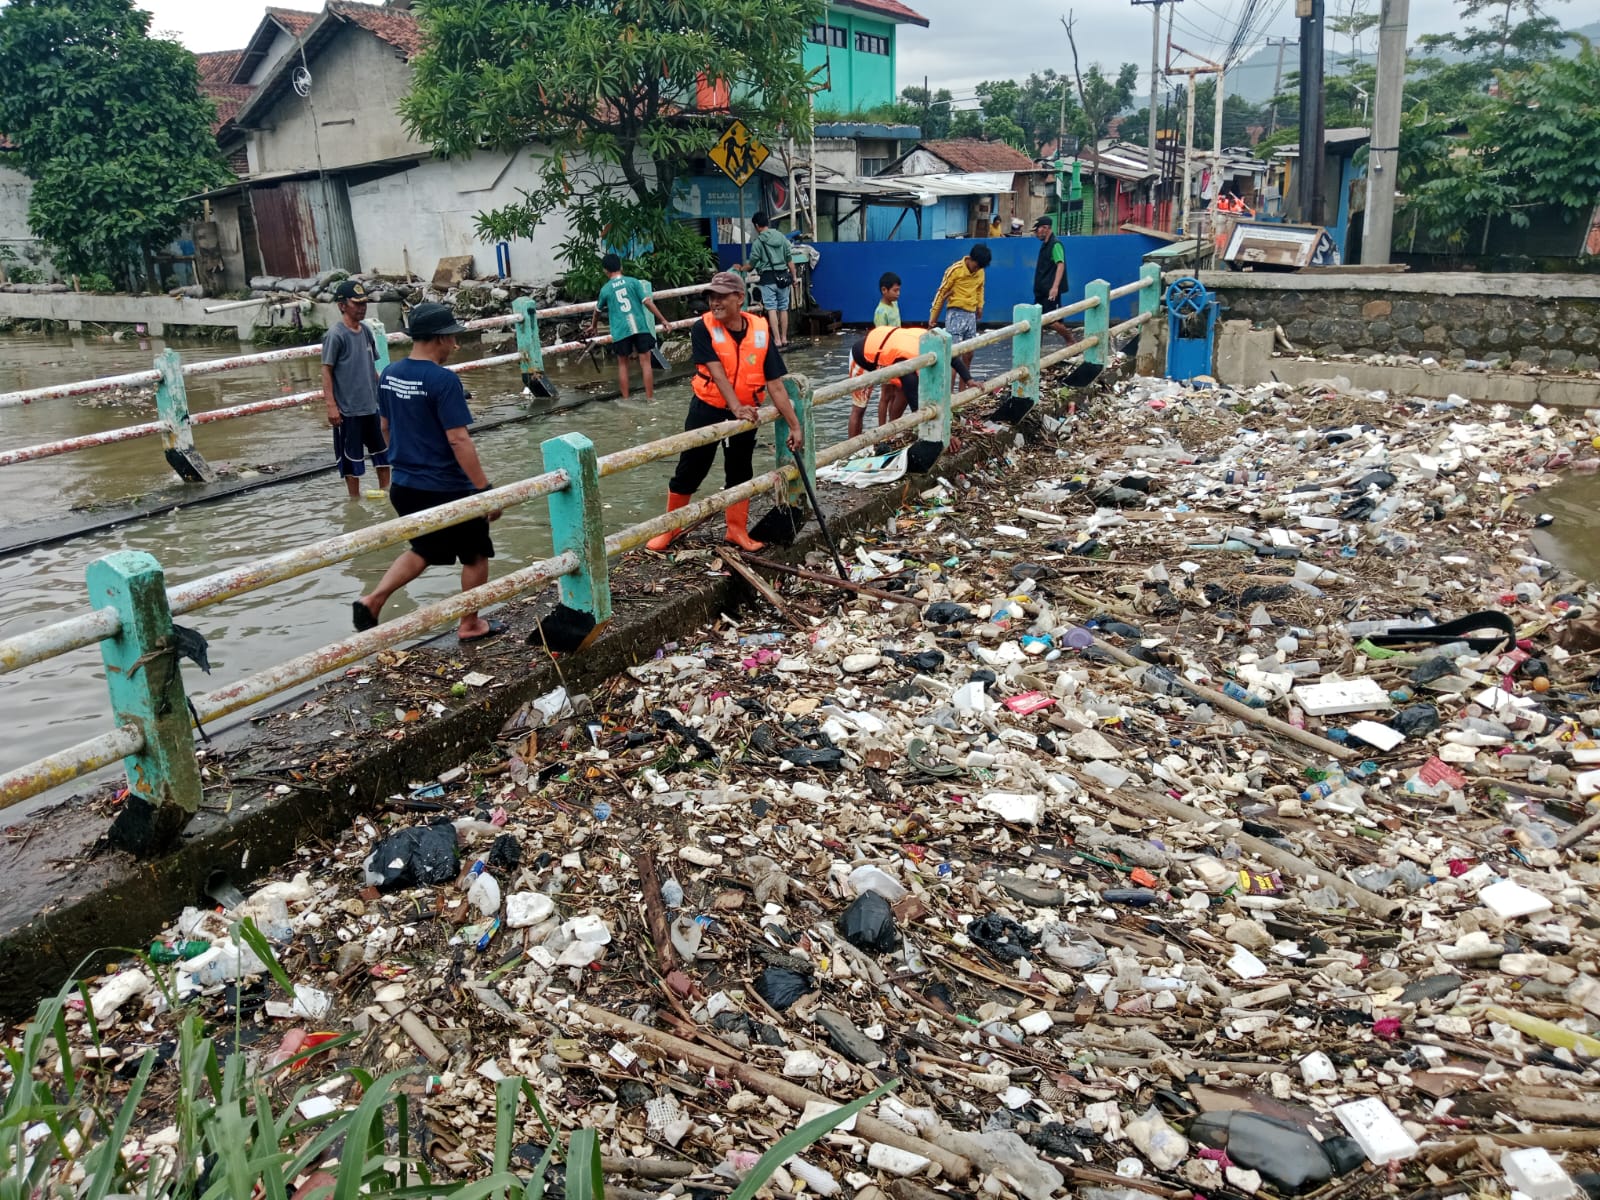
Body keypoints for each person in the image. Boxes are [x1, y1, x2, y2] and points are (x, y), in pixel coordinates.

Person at [352, 302, 505, 644]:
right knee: (476, 554)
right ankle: (470, 624)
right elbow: (458, 439)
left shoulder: (389, 374)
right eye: (452, 338)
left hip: (405, 486)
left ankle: (372, 600)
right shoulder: (443, 380)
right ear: (438, 338)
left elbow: (385, 427)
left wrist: (402, 464)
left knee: (424, 549)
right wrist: (484, 491)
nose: (455, 345)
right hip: (447, 488)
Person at [645, 271, 805, 554]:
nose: (714, 303)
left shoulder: (760, 329)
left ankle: (736, 531)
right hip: (708, 409)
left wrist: (794, 425)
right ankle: (670, 529)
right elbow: (717, 372)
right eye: (711, 297)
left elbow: (775, 384)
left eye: (721, 297)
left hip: (746, 413)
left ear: (739, 298)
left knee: (740, 470)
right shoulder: (702, 328)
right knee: (690, 470)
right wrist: (736, 408)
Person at [322, 279, 391, 499]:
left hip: (371, 407)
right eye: (356, 303)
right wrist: (331, 405)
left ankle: (386, 491)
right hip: (348, 410)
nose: (362, 308)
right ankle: (354, 500)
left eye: (364, 303)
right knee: (351, 461)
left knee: (382, 454)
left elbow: (372, 367)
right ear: (342, 305)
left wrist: (386, 392)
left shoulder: (366, 332)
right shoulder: (336, 335)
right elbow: (327, 371)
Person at [848, 325, 974, 440]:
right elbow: (917, 408)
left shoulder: (931, 342)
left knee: (903, 393)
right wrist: (944, 435)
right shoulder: (909, 369)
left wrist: (970, 380)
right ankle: (851, 449)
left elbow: (952, 358)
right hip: (863, 357)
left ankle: (892, 432)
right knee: (859, 409)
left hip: (889, 353)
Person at [586, 253, 667, 400]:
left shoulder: (606, 289)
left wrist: (594, 326)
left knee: (623, 365)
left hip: (620, 330)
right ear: (621, 266)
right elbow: (647, 302)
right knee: (646, 363)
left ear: (605, 270)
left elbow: (597, 311)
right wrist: (663, 320)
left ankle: (626, 399)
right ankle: (650, 398)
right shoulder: (633, 282)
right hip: (640, 327)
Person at [930, 243, 990, 378]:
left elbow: (980, 288)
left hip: (971, 315)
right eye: (976, 266)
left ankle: (963, 390)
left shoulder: (980, 271)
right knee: (954, 356)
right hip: (955, 313)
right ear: (971, 259)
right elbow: (941, 293)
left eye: (980, 268)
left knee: (969, 354)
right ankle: (950, 394)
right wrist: (933, 317)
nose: (977, 270)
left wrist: (980, 306)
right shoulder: (955, 270)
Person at [747, 211, 793, 350]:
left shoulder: (758, 242)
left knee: (771, 308)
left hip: (767, 278)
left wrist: (743, 268)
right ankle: (785, 338)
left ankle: (777, 340)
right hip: (783, 277)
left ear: (756, 225)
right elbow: (789, 259)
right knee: (783, 307)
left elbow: (752, 263)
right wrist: (794, 276)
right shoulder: (781, 237)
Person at [1032, 216, 1076, 345]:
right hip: (1041, 290)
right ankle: (1036, 348)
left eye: (1038, 229)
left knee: (1052, 320)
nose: (1036, 233)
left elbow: (1060, 264)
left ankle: (1070, 340)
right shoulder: (1045, 246)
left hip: (1050, 291)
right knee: (1037, 319)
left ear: (1045, 228)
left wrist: (1055, 287)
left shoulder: (1055, 245)